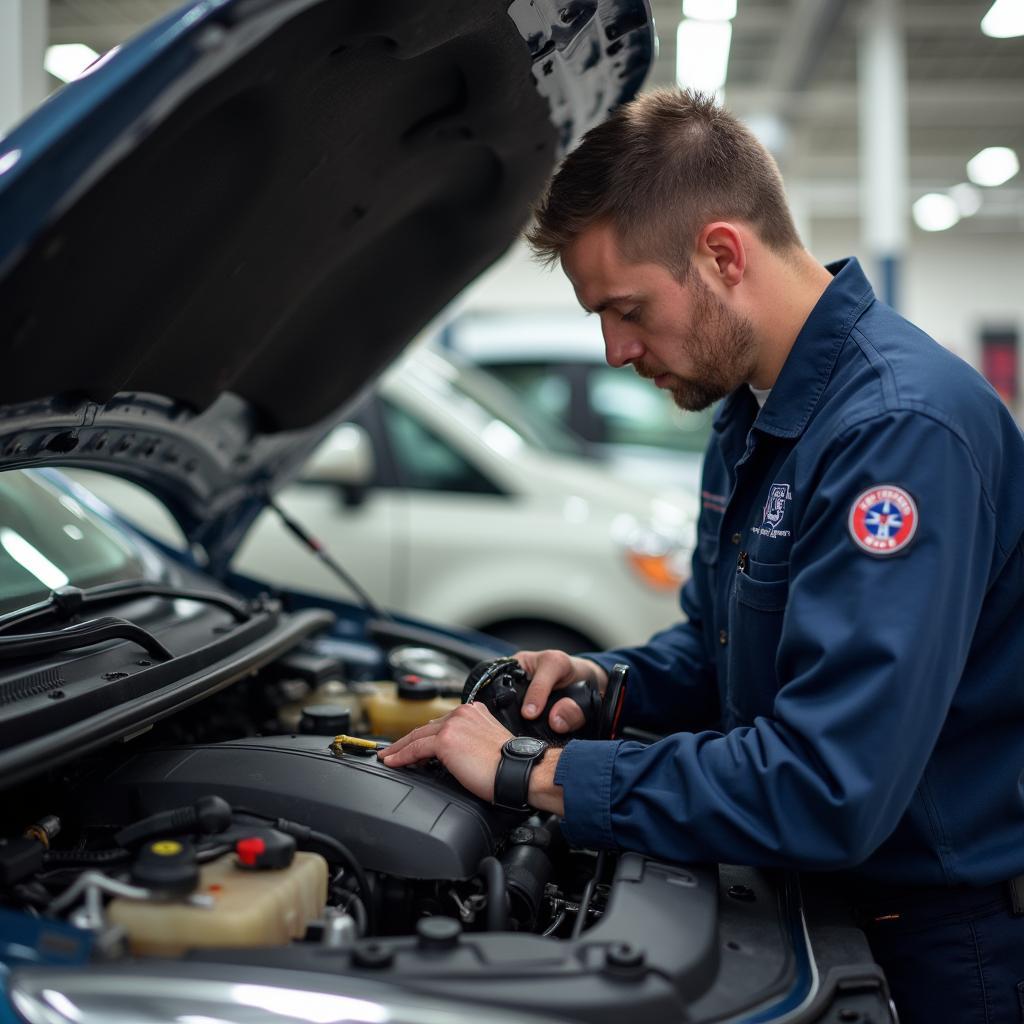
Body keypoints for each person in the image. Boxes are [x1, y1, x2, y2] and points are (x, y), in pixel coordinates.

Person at [380, 89, 1024, 1022]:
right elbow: (718, 647)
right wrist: (606, 683)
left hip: (940, 946)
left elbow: (827, 784)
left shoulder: (898, 433)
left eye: (628, 309)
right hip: (820, 901)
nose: (613, 350)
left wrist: (534, 773)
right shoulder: (751, 411)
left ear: (722, 254)